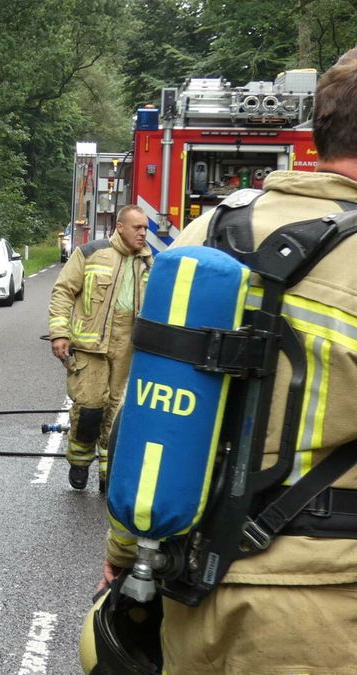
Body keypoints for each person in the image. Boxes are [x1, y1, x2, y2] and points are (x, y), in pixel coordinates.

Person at [100, 46, 357, 673]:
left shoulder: (200, 236)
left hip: (191, 593)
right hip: (324, 614)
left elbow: (150, 401)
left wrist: (126, 545)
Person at [48, 205, 152, 490]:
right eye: (137, 227)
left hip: (126, 345)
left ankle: (109, 472)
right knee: (91, 407)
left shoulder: (148, 263)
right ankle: (80, 462)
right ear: (120, 227)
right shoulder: (92, 253)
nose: (143, 233)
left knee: (115, 410)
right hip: (89, 345)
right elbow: (63, 291)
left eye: (145, 228)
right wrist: (59, 333)